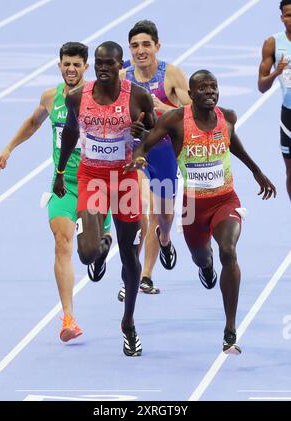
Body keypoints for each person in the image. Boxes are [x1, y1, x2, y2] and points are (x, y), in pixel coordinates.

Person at [127, 70, 276, 354]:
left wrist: (257, 172)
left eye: (214, 87)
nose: (210, 92)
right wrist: (139, 157)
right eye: (203, 88)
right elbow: (146, 143)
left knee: (229, 251)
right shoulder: (175, 120)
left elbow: (234, 145)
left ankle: (230, 330)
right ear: (191, 94)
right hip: (193, 206)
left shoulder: (227, 117)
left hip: (225, 201)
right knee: (201, 256)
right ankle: (205, 267)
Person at [0, 42, 112, 342]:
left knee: (91, 248)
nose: (71, 69)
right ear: (59, 65)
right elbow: (34, 122)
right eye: (66, 64)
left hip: (94, 182)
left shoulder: (96, 98)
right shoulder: (51, 97)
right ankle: (69, 318)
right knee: (62, 242)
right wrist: (9, 148)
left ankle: (101, 247)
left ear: (86, 67)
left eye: (77, 64)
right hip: (63, 184)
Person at [53, 41, 156, 356]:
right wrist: (59, 173)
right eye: (98, 63)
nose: (102, 68)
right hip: (92, 177)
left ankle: (128, 324)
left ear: (120, 65)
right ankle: (100, 249)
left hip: (124, 180)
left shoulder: (137, 96)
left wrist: (142, 133)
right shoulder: (76, 98)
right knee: (85, 253)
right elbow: (70, 133)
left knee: (130, 259)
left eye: (108, 63)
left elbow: (153, 131)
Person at [118, 20, 191, 301]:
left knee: (163, 215)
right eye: (135, 45)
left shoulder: (171, 75)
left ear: (157, 46)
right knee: (141, 212)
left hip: (164, 152)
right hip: (136, 151)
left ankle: (165, 238)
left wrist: (166, 108)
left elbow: (195, 112)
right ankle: (140, 276)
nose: (140, 50)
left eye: (146, 44)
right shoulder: (123, 77)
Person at [258, 0, 291, 200]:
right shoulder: (273, 43)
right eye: (287, 15)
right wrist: (276, 72)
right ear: (281, 18)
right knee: (290, 172)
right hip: (289, 116)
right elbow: (261, 86)